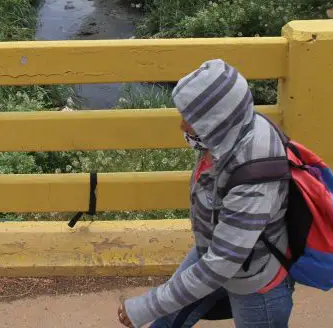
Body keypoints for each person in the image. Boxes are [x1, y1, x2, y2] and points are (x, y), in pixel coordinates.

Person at [117, 59, 294, 328]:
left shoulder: (255, 172)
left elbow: (221, 264)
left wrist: (144, 307)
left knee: (163, 310)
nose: (183, 127)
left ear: (217, 121)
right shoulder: (233, 127)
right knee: (165, 320)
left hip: (255, 279)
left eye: (191, 120)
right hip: (216, 248)